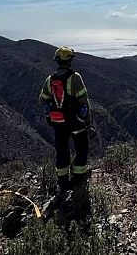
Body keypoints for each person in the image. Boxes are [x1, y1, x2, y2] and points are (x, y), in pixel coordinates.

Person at [39, 46, 91, 194]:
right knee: (81, 148)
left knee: (62, 150)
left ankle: (62, 182)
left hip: (58, 122)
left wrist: (49, 114)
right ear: (69, 60)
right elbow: (84, 102)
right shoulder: (75, 78)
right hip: (76, 122)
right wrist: (87, 121)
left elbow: (42, 100)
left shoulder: (50, 79)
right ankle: (78, 178)